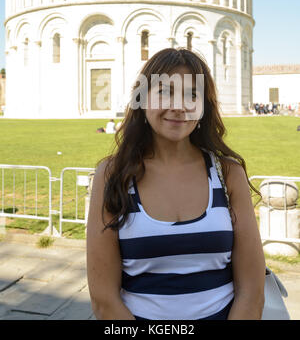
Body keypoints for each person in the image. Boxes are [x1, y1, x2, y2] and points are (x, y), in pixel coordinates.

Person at [86, 48, 266, 320]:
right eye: (165, 91)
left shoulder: (228, 173)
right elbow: (103, 300)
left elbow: (252, 290)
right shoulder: (113, 175)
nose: (179, 106)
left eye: (192, 95)